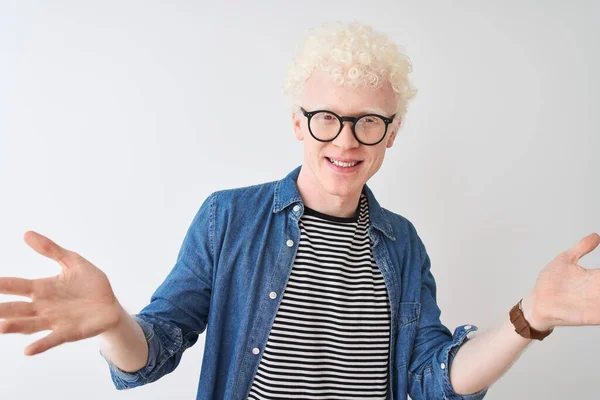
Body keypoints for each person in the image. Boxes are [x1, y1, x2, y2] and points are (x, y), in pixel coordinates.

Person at [0, 20, 598, 400]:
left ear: (392, 135)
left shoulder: (402, 243)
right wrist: (112, 324)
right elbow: (153, 350)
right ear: (297, 123)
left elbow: (431, 378)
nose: (345, 140)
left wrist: (532, 315)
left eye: (368, 122)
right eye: (326, 118)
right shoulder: (228, 219)